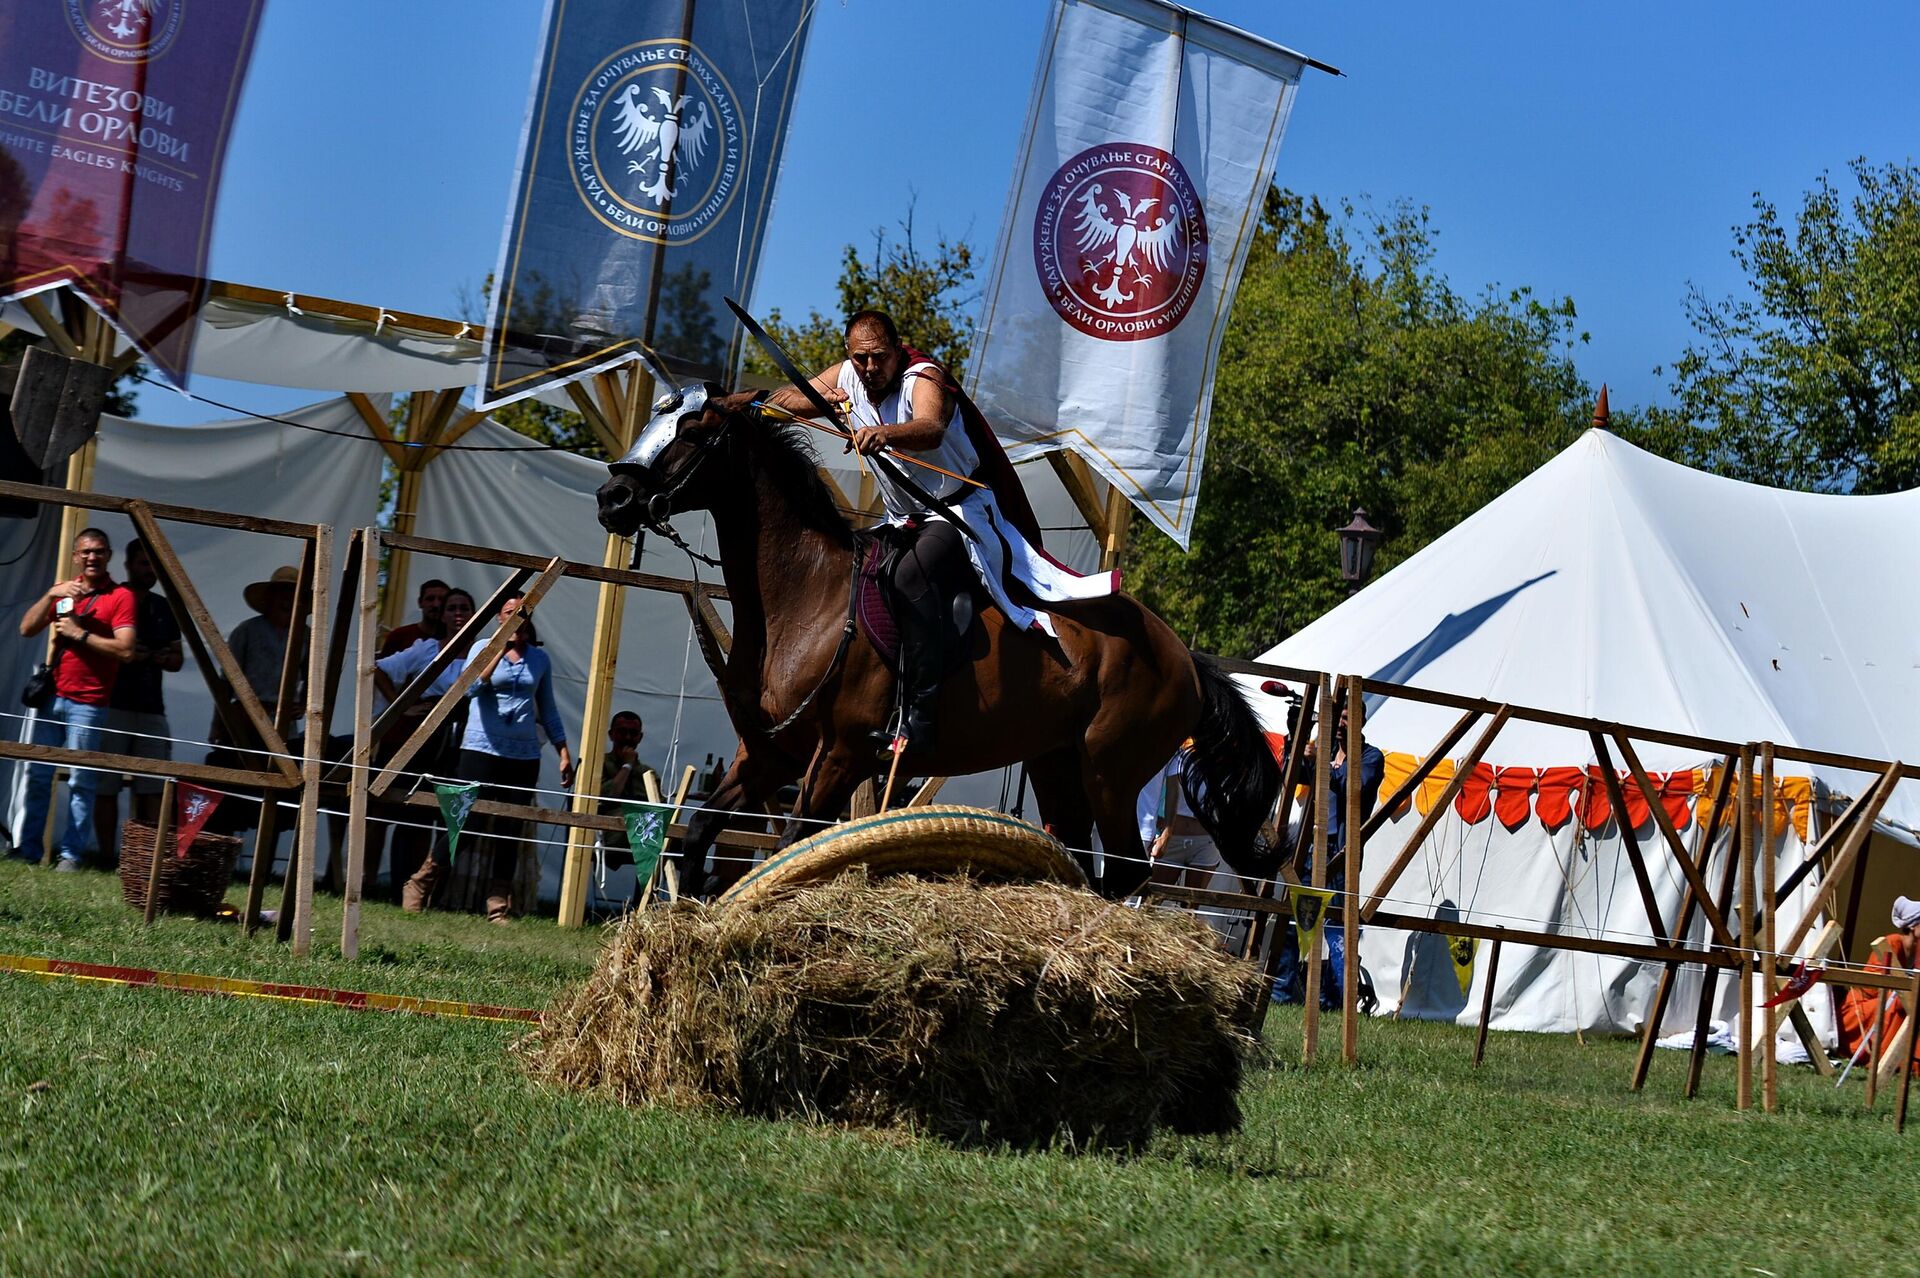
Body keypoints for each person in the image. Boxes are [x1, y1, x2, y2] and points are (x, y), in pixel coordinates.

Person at [762, 310, 1115, 748]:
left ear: (897, 350)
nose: (870, 370)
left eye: (878, 358)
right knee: (855, 575)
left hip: (957, 515)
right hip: (901, 522)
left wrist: (885, 433)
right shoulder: (849, 377)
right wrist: (791, 400)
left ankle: (921, 716)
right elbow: (784, 400)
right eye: (860, 360)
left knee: (911, 576)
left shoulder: (924, 377)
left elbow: (930, 429)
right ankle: (869, 696)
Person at [402, 594, 573, 921]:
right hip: (480, 748)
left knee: (510, 827)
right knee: (466, 820)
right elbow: (468, 691)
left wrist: (563, 752)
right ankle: (421, 882)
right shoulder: (482, 649)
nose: (517, 620)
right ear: (499, 617)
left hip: (523, 754)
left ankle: (498, 905)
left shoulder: (539, 659)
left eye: (522, 614)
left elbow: (548, 709)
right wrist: (497, 649)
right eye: (510, 614)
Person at [15, 527, 136, 869]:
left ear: (109, 556)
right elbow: (26, 628)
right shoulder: (66, 591)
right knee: (37, 775)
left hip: (90, 702)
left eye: (98, 551)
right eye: (85, 552)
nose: (91, 557)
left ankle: (71, 855)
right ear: (75, 557)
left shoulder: (121, 596)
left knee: (82, 781)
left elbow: (126, 651)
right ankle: (28, 849)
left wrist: (79, 633)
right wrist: (52, 593)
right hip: (53, 695)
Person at [1274, 703, 1384, 1007]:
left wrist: (1321, 763)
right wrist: (1295, 736)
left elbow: (1354, 787)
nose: (1340, 723)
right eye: (1338, 717)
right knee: (1297, 924)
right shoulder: (1325, 750)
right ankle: (1282, 995)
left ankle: (1336, 1002)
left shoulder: (1370, 756)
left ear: (1361, 721)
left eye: (1347, 718)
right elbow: (1290, 771)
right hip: (1311, 851)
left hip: (1341, 855)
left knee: (1337, 931)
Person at [372, 587, 476, 900]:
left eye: (464, 608)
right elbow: (378, 668)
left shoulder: (483, 651)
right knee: (412, 813)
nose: (458, 613)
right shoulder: (427, 649)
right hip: (426, 737)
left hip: (464, 739)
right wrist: (402, 706)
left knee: (454, 814)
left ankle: (436, 892)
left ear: (473, 614)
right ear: (442, 615)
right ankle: (399, 886)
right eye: (452, 608)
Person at [94, 539, 184, 861]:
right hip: (113, 704)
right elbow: (98, 648)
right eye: (144, 563)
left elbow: (178, 659)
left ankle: (143, 857)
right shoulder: (113, 598)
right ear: (129, 565)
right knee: (105, 785)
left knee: (153, 788)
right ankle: (106, 855)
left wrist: (160, 657)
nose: (150, 570)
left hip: (151, 708)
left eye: (154, 565)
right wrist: (127, 655)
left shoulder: (164, 606)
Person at [1837, 896, 1920, 1076]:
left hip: (1888, 1005)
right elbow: (1873, 988)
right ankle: (1886, 1058)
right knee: (1900, 1004)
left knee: (1908, 1003)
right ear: (1913, 926)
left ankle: (1911, 1061)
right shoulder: (1890, 944)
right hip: (1862, 1011)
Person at [226, 565, 301, 722]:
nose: (287, 600)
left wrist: (303, 705)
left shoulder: (305, 636)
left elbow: (313, 676)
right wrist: (220, 723)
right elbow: (227, 679)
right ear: (271, 597)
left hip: (285, 721)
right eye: (282, 593)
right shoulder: (246, 631)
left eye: (293, 594)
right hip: (247, 717)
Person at [599, 710, 662, 878]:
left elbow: (661, 810)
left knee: (680, 840)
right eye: (622, 732)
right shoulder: (598, 765)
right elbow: (610, 796)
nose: (627, 738)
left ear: (639, 738)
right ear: (611, 734)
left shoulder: (648, 773)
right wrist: (626, 766)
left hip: (645, 836)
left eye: (632, 733)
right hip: (612, 834)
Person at [378, 578, 450, 659]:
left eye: (441, 599)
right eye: (430, 599)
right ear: (420, 602)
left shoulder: (454, 638)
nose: (436, 604)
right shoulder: (399, 636)